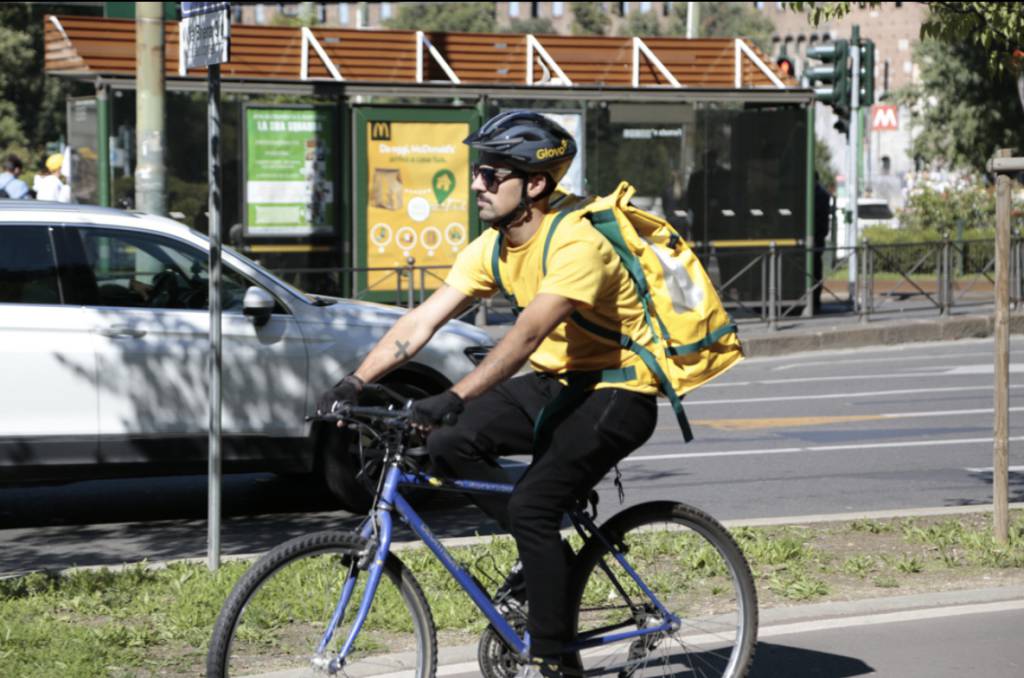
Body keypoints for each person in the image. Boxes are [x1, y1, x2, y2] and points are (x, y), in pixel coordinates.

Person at [316, 110, 660, 678]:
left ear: (535, 184)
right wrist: (357, 380)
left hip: (620, 391)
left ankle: (557, 661)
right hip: (559, 384)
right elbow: (421, 320)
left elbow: (526, 337)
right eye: (478, 170)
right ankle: (549, 555)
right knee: (450, 443)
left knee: (529, 505)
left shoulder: (578, 242)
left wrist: (453, 393)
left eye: (492, 173)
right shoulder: (495, 245)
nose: (477, 182)